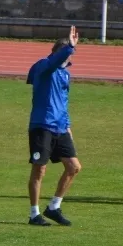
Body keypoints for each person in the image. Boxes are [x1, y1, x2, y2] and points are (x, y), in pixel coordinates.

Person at [26, 26, 80, 227]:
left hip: (60, 127)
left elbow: (63, 103)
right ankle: (34, 214)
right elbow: (53, 62)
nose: (69, 57)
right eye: (66, 53)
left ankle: (54, 207)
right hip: (42, 126)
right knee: (39, 170)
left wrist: (68, 126)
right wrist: (70, 47)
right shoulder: (44, 66)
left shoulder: (65, 74)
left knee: (74, 167)